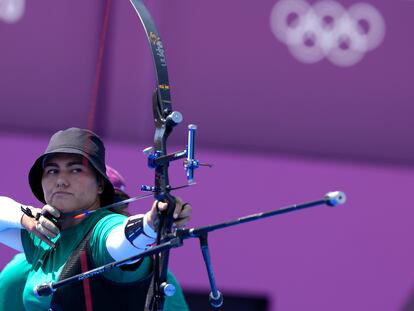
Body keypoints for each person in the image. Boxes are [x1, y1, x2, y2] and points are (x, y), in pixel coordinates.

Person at [0, 127, 192, 310]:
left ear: (100, 186)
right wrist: (24, 217)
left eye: (76, 170)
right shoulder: (44, 234)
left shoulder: (102, 228)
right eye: (52, 170)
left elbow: (119, 239)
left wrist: (152, 223)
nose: (61, 180)